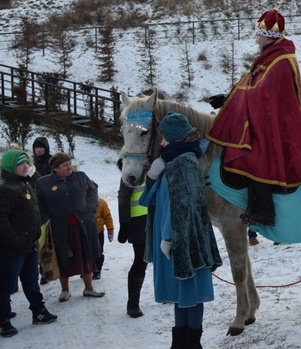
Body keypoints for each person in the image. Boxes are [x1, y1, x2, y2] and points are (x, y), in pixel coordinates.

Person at [207, 9, 301, 227]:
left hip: (281, 122)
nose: (256, 38)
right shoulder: (271, 56)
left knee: (256, 155)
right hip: (267, 118)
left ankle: (265, 211)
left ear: (268, 36)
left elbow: (259, 92)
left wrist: (233, 99)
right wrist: (229, 97)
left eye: (258, 34)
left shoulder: (281, 60)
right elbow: (252, 85)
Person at [139, 112, 222, 348]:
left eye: (165, 138)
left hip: (183, 241)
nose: (162, 143)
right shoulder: (174, 161)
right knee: (181, 293)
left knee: (191, 292)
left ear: (175, 138)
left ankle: (192, 342)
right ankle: (181, 342)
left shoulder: (184, 163)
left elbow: (182, 206)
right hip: (178, 239)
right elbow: (158, 199)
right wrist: (154, 175)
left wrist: (168, 237)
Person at [0, 150, 57, 337]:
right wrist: (15, 242)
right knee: (5, 286)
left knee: (31, 282)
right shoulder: (1, 189)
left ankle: (38, 311)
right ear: (10, 165)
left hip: (28, 246)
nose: (26, 166)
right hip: (10, 250)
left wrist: (33, 236)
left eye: (27, 162)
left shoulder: (23, 184)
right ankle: (2, 322)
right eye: (21, 163)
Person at [35, 152, 105, 301]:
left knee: (86, 257)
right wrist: (48, 219)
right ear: (55, 169)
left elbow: (92, 190)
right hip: (60, 228)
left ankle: (89, 288)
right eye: (65, 166)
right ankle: (65, 290)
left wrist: (92, 207)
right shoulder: (43, 183)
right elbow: (40, 205)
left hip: (83, 226)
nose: (69, 168)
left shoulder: (81, 177)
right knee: (63, 258)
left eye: (70, 164)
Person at [117, 177, 149, 318]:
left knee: (164, 257)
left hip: (156, 217)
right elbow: (123, 197)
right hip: (138, 221)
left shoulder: (156, 164)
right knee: (141, 261)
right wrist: (125, 223)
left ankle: (165, 292)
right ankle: (133, 303)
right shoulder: (131, 170)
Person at [93, 188, 114, 280]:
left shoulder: (101, 203)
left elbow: (108, 217)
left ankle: (97, 270)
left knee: (98, 251)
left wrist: (110, 230)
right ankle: (87, 270)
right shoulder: (81, 203)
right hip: (85, 233)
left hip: (98, 232)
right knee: (86, 253)